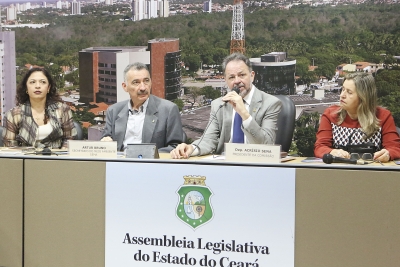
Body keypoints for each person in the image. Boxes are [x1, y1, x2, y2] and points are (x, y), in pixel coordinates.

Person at [170, 53, 282, 159]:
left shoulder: (270, 103)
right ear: (225, 80)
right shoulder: (219, 104)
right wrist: (192, 148)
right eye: (231, 77)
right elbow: (209, 139)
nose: (237, 81)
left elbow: (267, 145)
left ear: (252, 76)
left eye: (242, 75)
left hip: (256, 164)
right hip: (225, 166)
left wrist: (244, 113)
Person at [314, 72, 400, 162]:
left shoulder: (383, 116)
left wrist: (388, 154)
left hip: (372, 172)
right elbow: (320, 147)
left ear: (363, 97)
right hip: (339, 171)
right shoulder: (330, 114)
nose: (342, 95)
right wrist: (332, 152)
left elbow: (394, 148)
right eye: (342, 89)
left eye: (349, 92)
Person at [101, 62, 183, 152]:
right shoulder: (113, 111)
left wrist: (146, 155)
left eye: (146, 81)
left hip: (152, 164)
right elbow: (106, 141)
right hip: (120, 163)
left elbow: (175, 147)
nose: (143, 88)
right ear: (125, 87)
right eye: (136, 82)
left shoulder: (168, 110)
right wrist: (106, 142)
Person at [2, 67, 77, 148]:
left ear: (48, 88)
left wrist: (60, 157)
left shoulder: (62, 109)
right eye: (32, 82)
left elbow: (69, 139)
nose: (37, 86)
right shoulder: (13, 115)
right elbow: (10, 147)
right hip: (26, 159)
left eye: (43, 82)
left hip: (56, 158)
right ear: (26, 88)